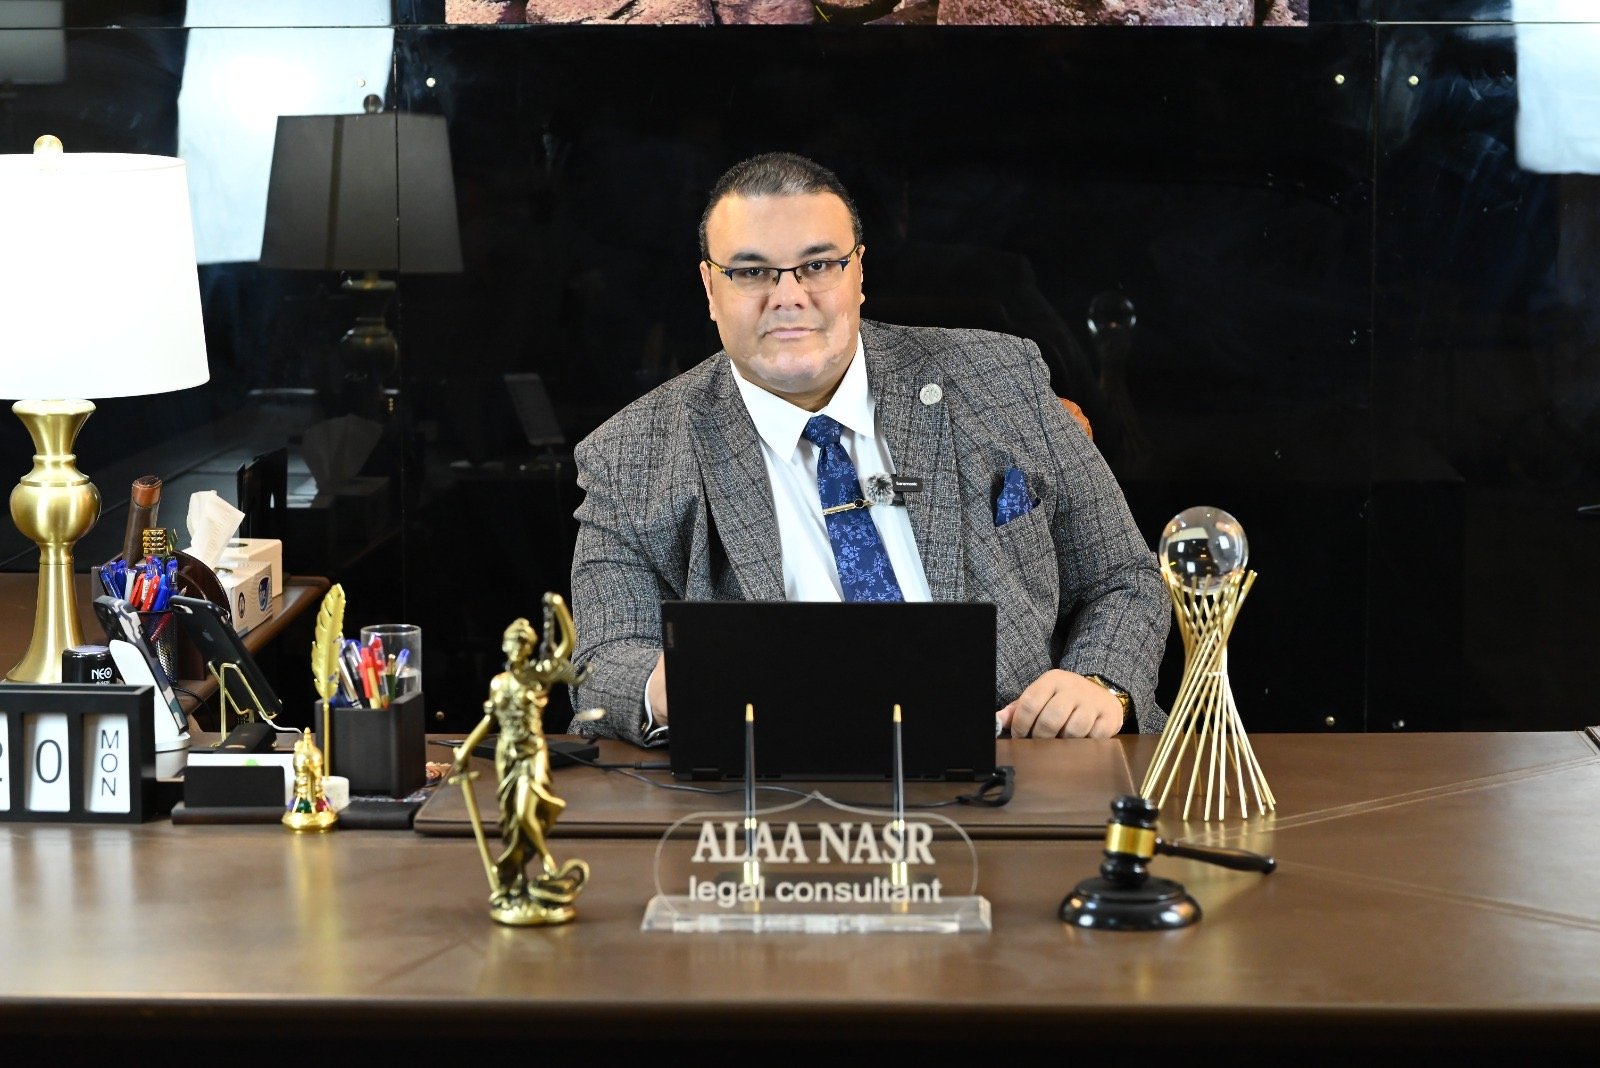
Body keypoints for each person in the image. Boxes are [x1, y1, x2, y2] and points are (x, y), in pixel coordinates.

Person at [568, 151, 1169, 748]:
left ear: (858, 272)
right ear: (709, 287)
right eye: (751, 272)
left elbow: (1123, 578)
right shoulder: (631, 456)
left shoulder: (999, 378)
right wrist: (665, 687)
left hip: (1019, 758)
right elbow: (603, 662)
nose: (788, 297)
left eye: (817, 265)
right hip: (773, 779)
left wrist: (1100, 684)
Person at [450, 595, 590, 926]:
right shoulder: (499, 684)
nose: (517, 648)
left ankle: (549, 865)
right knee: (513, 822)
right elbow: (490, 722)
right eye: (512, 642)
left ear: (529, 647)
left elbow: (568, 643)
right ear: (504, 646)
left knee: (528, 812)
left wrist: (558, 607)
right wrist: (465, 750)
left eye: (522, 642)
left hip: (533, 752)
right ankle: (517, 884)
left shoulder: (536, 675)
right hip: (507, 754)